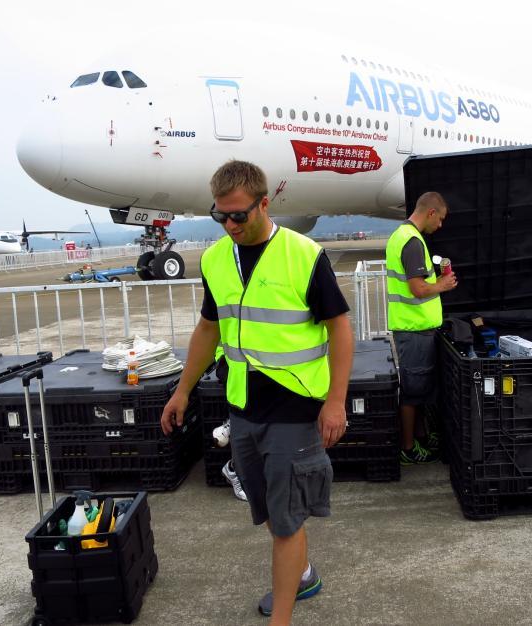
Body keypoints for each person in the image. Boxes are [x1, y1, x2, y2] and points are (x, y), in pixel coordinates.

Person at [160, 160, 353, 623]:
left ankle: (283, 615)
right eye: (219, 216)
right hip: (243, 407)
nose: (229, 226)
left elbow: (340, 330)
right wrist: (182, 390)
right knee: (266, 508)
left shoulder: (304, 255)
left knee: (286, 523)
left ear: (265, 204)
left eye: (239, 216)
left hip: (295, 406)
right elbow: (209, 328)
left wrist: (335, 402)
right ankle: (302, 573)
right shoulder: (215, 259)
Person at [385, 191, 457, 464]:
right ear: (430, 213)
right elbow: (417, 289)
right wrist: (442, 285)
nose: (440, 225)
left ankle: (420, 436)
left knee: (420, 388)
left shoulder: (401, 236)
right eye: (440, 219)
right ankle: (408, 448)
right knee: (414, 390)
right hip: (413, 329)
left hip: (414, 328)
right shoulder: (412, 242)